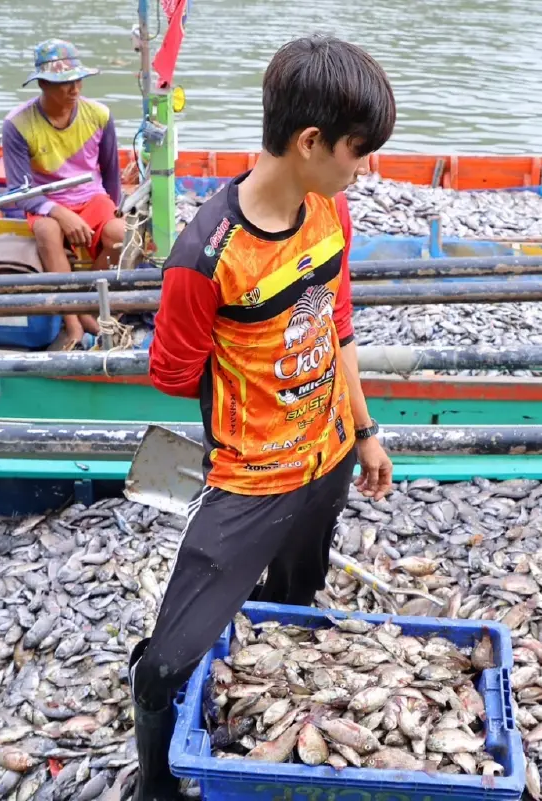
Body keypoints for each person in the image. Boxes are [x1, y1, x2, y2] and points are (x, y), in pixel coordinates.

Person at [130, 35, 397, 799]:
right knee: (168, 661)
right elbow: (174, 374)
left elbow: (338, 324)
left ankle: (274, 714)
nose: (362, 167)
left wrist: (366, 430)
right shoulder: (205, 258)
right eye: (357, 150)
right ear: (310, 142)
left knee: (294, 597)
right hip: (250, 479)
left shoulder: (327, 210)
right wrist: (260, 398)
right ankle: (155, 783)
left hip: (330, 456)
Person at [2, 39, 125, 351]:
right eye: (63, 84)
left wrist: (114, 209)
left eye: (77, 81)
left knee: (122, 235)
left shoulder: (99, 115)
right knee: (47, 230)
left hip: (92, 197)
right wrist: (59, 212)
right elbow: (20, 190)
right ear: (42, 84)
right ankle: (74, 323)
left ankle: (86, 305)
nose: (74, 90)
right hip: (47, 202)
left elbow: (110, 174)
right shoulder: (17, 124)